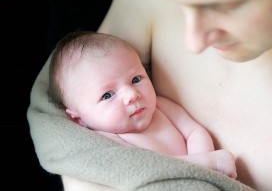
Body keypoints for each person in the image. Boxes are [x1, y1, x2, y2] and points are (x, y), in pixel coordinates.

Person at [27, 0, 272, 191]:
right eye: (177, 5)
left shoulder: (162, 110)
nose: (192, 43)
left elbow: (193, 136)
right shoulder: (144, 0)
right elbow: (63, 101)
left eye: (228, 5)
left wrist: (202, 164)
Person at [48, 30, 237, 178]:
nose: (132, 95)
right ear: (78, 118)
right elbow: (151, 170)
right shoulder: (107, 140)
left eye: (136, 79)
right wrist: (209, 163)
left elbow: (195, 132)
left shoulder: (161, 107)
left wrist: (205, 165)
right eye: (107, 95)